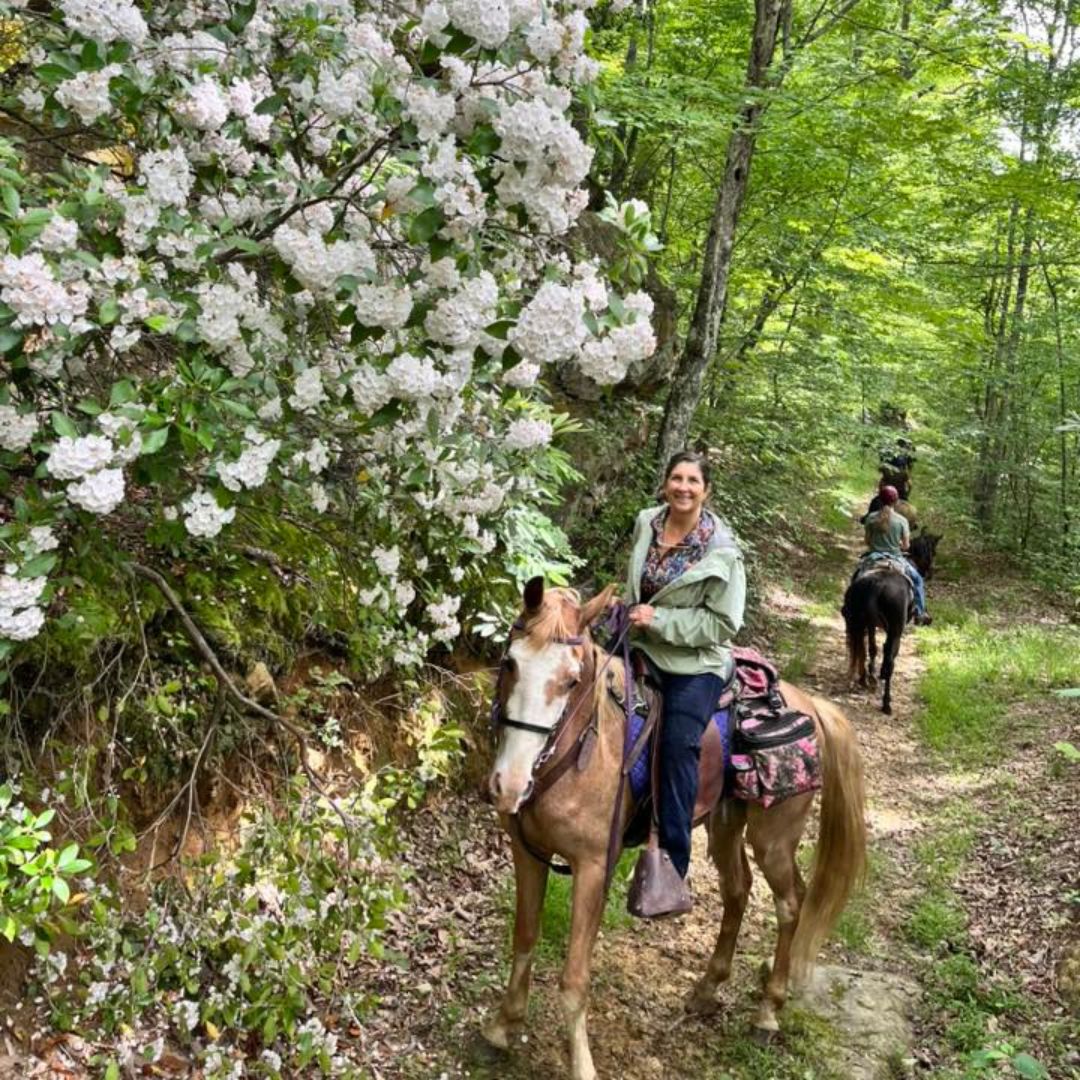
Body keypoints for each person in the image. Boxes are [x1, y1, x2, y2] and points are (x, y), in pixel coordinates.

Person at [624, 450, 746, 910]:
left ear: (706, 490)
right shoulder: (646, 524)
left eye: (692, 480)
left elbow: (722, 625)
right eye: (676, 478)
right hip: (640, 646)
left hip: (696, 663)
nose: (683, 487)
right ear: (665, 484)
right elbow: (636, 582)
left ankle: (672, 865)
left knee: (677, 742)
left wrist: (659, 620)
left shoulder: (722, 553)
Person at [861, 485, 931, 625]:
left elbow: (867, 541)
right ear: (896, 501)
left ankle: (850, 609)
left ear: (880, 499)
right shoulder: (902, 521)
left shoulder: (871, 518)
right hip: (896, 558)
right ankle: (920, 612)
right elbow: (906, 546)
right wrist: (897, 544)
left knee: (857, 577)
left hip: (873, 557)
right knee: (918, 580)